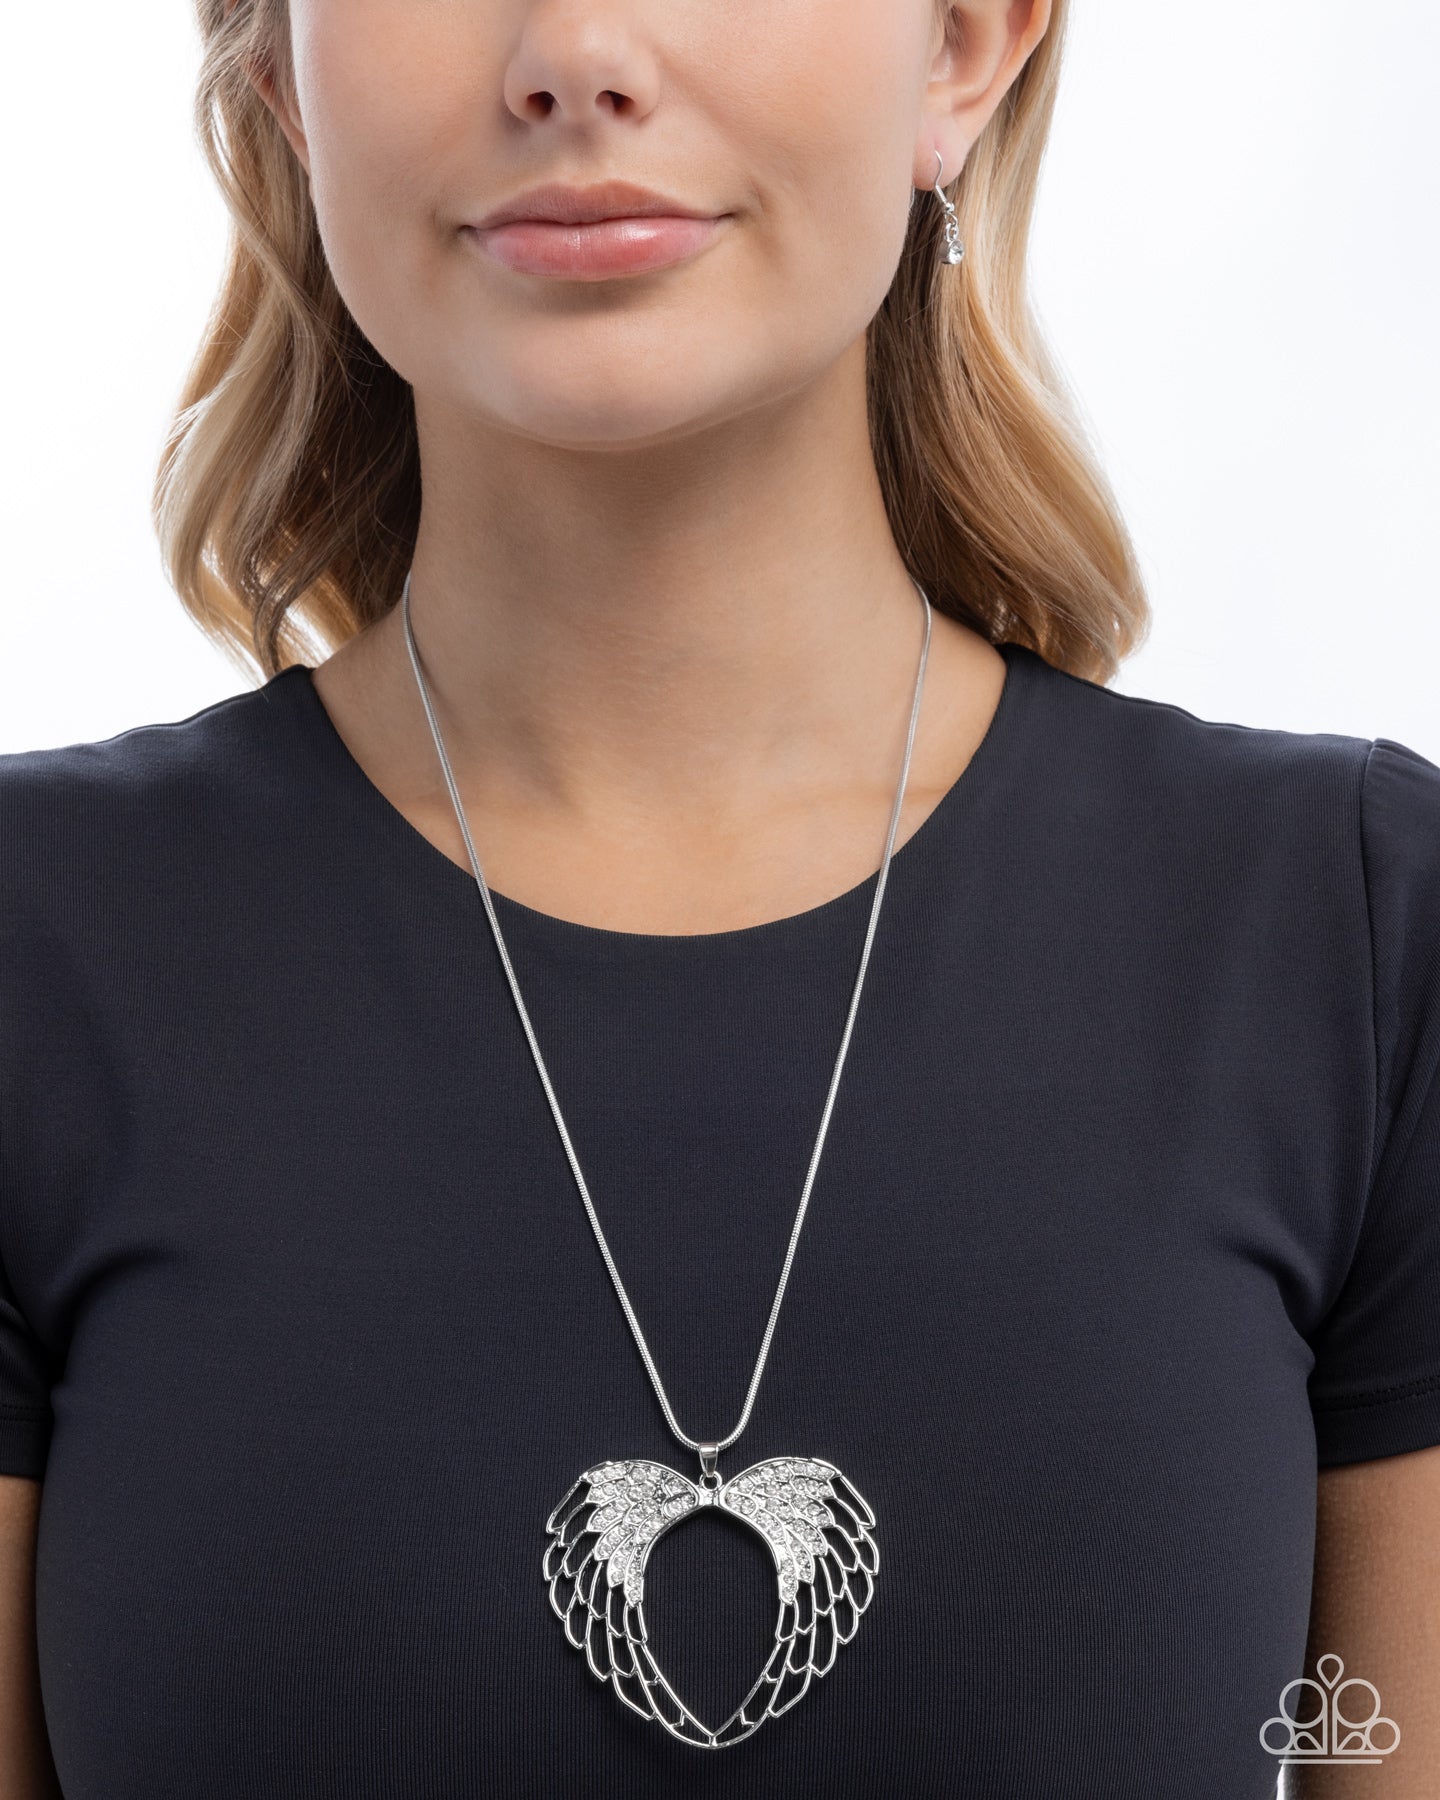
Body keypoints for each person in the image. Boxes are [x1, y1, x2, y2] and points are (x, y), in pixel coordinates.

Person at [1, 0, 1436, 1793]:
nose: (577, 53)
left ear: (970, 43)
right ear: (279, 64)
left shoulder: (1354, 939)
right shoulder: (39, 949)